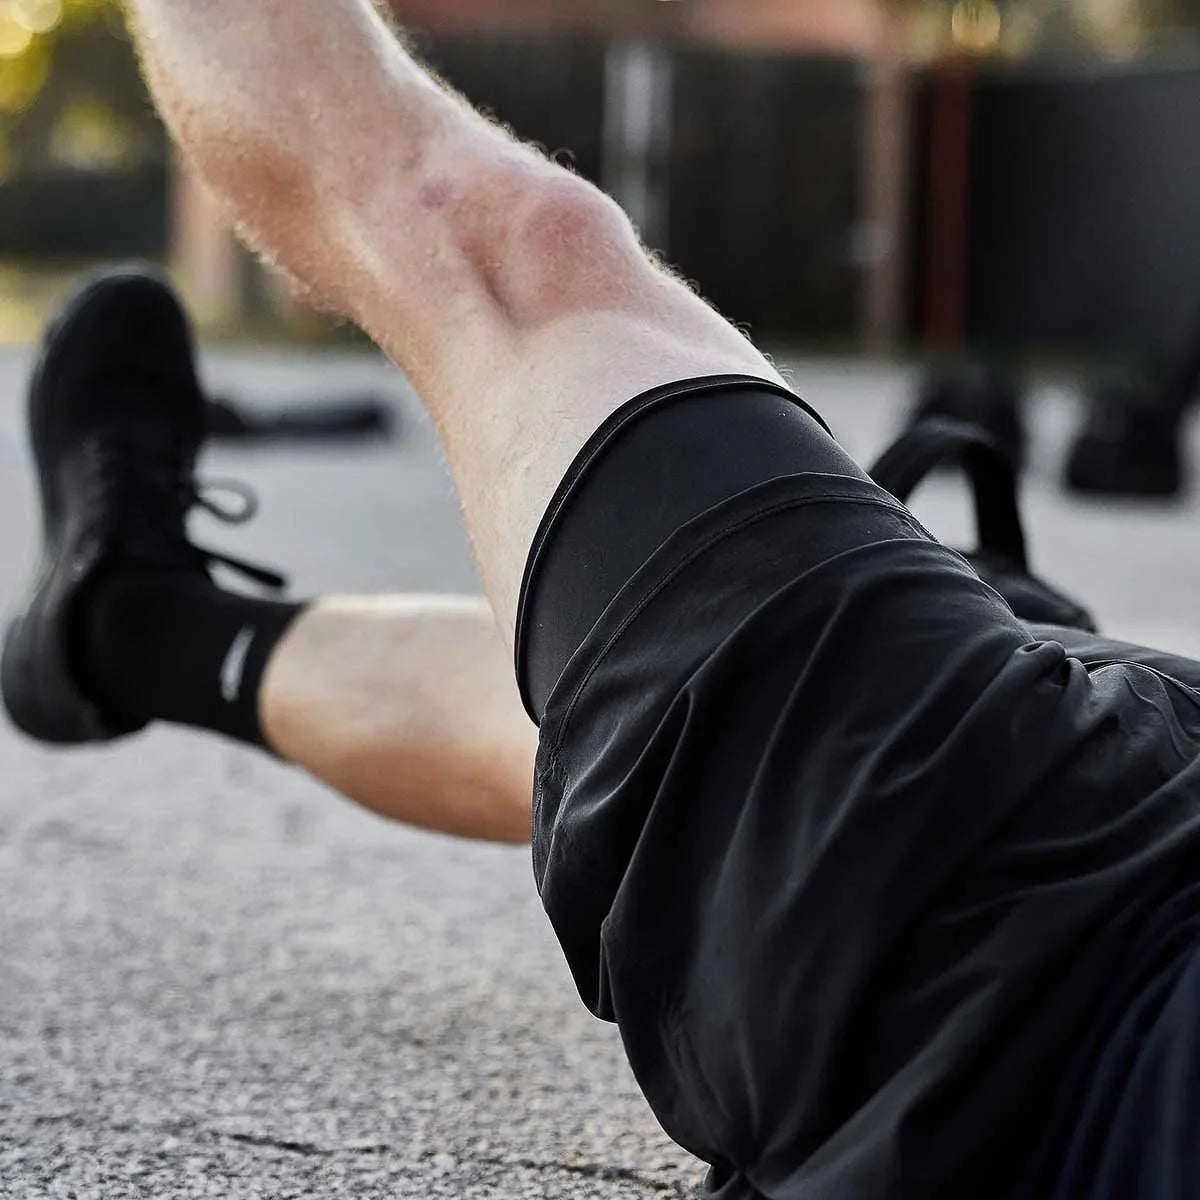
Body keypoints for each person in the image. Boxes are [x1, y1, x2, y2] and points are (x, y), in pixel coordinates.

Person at [7, 2, 1200, 1195]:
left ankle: (126, 625)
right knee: (641, 712)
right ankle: (133, 626)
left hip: (1068, 991)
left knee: (508, 245)